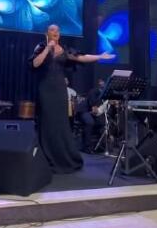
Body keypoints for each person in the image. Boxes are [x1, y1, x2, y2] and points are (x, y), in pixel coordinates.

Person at [30, 24, 114, 173]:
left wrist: (100, 56)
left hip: (60, 90)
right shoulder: (41, 47)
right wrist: (48, 48)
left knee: (60, 122)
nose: (55, 32)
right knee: (47, 122)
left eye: (57, 30)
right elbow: (35, 63)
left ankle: (62, 155)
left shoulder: (65, 50)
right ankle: (45, 156)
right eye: (52, 30)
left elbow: (82, 57)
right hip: (46, 89)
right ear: (46, 33)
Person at [80, 78, 106, 153]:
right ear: (99, 83)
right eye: (102, 82)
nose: (104, 84)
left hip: (94, 112)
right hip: (86, 111)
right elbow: (92, 104)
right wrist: (96, 109)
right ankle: (86, 147)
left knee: (103, 123)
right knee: (90, 122)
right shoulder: (94, 91)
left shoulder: (104, 93)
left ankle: (100, 146)